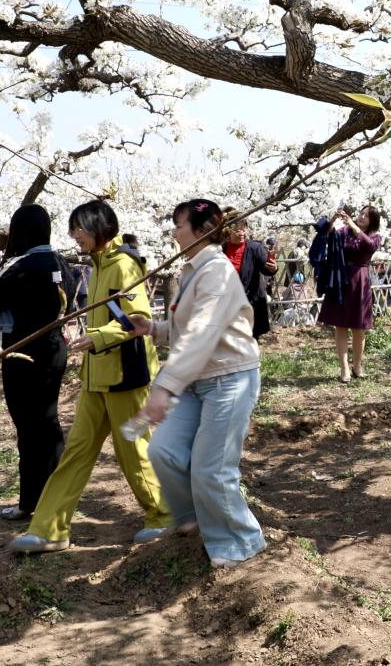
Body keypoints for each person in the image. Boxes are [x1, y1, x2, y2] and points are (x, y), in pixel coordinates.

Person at [8, 200, 170, 553]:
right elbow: (113, 318)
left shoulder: (124, 265)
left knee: (134, 450)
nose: (74, 236)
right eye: (73, 230)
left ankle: (165, 515)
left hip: (126, 374)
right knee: (76, 453)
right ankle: (50, 529)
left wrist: (98, 338)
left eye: (78, 229)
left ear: (99, 227)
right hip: (97, 377)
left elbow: (138, 319)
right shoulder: (98, 265)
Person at [125, 199, 266, 569]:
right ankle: (193, 517)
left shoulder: (216, 271)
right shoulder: (194, 268)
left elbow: (203, 333)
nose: (173, 232)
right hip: (196, 379)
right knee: (163, 451)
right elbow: (188, 329)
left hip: (229, 378)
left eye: (179, 225)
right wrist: (152, 328)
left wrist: (164, 388)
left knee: (212, 469)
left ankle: (241, 543)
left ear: (202, 231)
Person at [0, 205, 76, 521]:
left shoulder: (21, 265)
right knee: (49, 423)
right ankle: (58, 498)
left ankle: (29, 503)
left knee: (28, 427)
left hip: (23, 353)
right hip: (55, 349)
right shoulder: (62, 262)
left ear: (20, 231)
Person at [317, 205, 382, 382]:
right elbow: (328, 236)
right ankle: (344, 368)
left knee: (359, 328)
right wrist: (332, 221)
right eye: (361, 213)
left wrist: (353, 226)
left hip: (360, 280)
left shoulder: (375, 236)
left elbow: (369, 246)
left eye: (366, 215)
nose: (362, 216)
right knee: (341, 325)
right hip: (341, 278)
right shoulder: (344, 232)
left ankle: (357, 365)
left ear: (372, 220)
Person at [221, 209, 278, 340]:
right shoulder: (221, 249)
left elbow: (266, 268)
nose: (242, 233)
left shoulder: (255, 248)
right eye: (237, 230)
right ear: (228, 230)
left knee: (250, 340)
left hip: (251, 302)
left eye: (244, 229)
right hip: (228, 302)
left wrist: (273, 268)